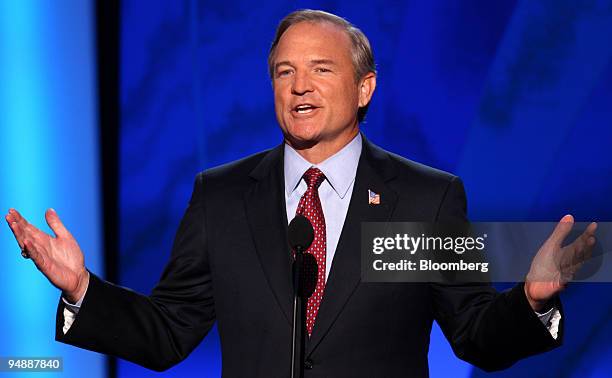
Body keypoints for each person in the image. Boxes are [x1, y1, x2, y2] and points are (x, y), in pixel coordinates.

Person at [5, 9, 597, 378]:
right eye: (284, 71)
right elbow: (168, 333)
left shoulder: (426, 200)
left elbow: (475, 333)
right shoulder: (223, 195)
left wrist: (531, 300)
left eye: (321, 69)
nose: (300, 86)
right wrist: (82, 289)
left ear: (364, 88)